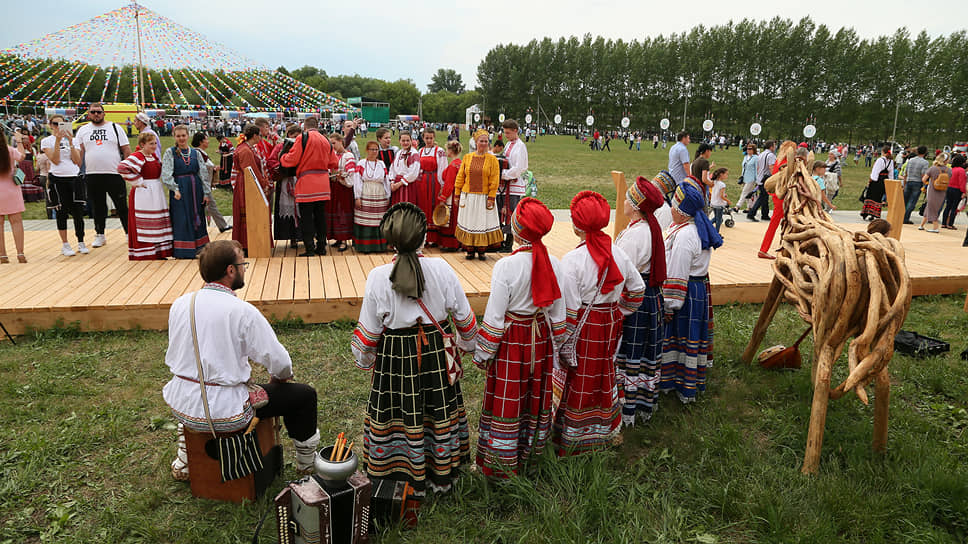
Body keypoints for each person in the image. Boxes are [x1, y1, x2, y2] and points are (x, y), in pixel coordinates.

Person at [164, 240, 320, 481]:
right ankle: (307, 465)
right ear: (230, 270)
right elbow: (279, 361)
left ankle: (185, 458)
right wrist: (280, 378)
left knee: (198, 387)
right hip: (226, 412)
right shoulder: (241, 310)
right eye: (242, 264)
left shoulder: (180, 304)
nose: (244, 268)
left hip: (182, 405)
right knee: (304, 395)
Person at [351, 203, 479, 496]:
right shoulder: (442, 269)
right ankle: (440, 473)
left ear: (391, 239)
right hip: (435, 350)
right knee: (437, 410)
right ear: (423, 236)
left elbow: (369, 333)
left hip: (395, 355)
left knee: (399, 411)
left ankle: (397, 474)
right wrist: (469, 346)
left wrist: (365, 359)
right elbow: (464, 319)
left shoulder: (378, 277)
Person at [473, 197, 566, 477]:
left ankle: (502, 459)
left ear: (516, 230)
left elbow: (494, 317)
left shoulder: (506, 267)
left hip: (513, 339)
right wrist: (559, 346)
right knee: (535, 393)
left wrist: (483, 354)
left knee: (509, 394)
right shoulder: (555, 264)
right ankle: (531, 452)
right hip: (540, 337)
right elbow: (558, 315)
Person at [555, 191, 645, 456]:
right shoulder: (618, 253)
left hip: (583, 324)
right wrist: (620, 311)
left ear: (576, 226)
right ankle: (604, 428)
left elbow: (570, 310)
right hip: (609, 321)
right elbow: (637, 288)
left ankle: (574, 435)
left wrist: (561, 340)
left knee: (580, 374)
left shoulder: (571, 260)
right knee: (605, 370)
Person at [660, 184, 722, 404]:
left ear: (683, 212)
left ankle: (677, 381)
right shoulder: (693, 227)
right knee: (689, 336)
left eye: (675, 206)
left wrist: (669, 306)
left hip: (685, 292)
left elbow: (678, 272)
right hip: (695, 289)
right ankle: (686, 378)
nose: (672, 209)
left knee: (681, 335)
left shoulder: (686, 236)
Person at [614, 178, 668, 426]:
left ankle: (626, 406)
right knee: (644, 351)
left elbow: (621, 272)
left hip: (636, 300)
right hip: (651, 298)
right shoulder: (650, 227)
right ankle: (642, 400)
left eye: (627, 198)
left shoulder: (635, 236)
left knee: (631, 351)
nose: (623, 201)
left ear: (635, 206)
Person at [281, 118, 340, 257]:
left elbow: (293, 159)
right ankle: (321, 247)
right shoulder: (325, 140)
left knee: (306, 217)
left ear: (304, 127)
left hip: (307, 182)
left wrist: (283, 157)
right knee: (320, 217)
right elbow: (334, 163)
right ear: (317, 126)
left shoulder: (303, 137)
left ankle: (310, 248)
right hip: (323, 183)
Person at [75, 102, 131, 243]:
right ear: (88, 114)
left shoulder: (115, 128)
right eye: (93, 112)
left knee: (121, 206)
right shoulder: (83, 130)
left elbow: (126, 149)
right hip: (92, 174)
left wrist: (128, 168)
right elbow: (79, 152)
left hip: (114, 173)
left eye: (99, 112)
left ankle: (129, 234)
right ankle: (100, 234)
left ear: (104, 113)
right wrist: (76, 171)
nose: (96, 114)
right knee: (98, 206)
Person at [117, 132, 173, 260]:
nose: (154, 146)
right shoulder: (138, 156)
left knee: (157, 222)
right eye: (151, 143)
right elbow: (122, 167)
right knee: (145, 222)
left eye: (155, 143)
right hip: (143, 193)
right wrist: (137, 181)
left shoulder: (153, 156)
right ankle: (146, 252)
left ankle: (158, 252)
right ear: (142, 144)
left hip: (156, 191)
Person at [161, 125, 211, 259]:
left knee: (197, 216)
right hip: (180, 189)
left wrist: (206, 193)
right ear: (174, 137)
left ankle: (201, 249)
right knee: (182, 217)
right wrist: (174, 188)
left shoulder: (196, 153)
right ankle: (183, 250)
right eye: (178, 136)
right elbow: (166, 174)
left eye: (183, 135)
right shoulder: (170, 152)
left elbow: (203, 174)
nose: (181, 138)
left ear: (188, 136)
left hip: (195, 189)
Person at [42, 115, 88, 256]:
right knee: (61, 212)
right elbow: (55, 160)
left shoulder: (73, 140)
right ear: (50, 125)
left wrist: (70, 141)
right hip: (57, 178)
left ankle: (81, 241)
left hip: (73, 177)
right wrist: (57, 140)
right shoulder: (46, 141)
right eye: (55, 124)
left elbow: (77, 161)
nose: (58, 127)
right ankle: (65, 244)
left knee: (78, 212)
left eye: (62, 124)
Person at [455, 129, 503, 260]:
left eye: (486, 141)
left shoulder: (492, 159)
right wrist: (457, 193)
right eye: (481, 141)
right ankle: (470, 249)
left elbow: (494, 179)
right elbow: (460, 176)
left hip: (484, 196)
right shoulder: (467, 158)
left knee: (482, 223)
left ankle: (482, 250)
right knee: (470, 221)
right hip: (469, 195)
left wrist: (492, 197)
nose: (483, 143)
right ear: (476, 142)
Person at [231, 124, 272, 254]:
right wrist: (264, 183)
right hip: (246, 184)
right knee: (249, 213)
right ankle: (247, 242)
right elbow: (251, 171)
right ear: (254, 136)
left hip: (246, 182)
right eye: (259, 135)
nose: (261, 137)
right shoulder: (245, 151)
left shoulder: (246, 148)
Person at [353, 141, 391, 253]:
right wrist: (357, 197)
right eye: (372, 149)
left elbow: (386, 180)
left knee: (379, 219)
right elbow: (357, 180)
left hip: (379, 192)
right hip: (366, 191)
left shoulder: (381, 164)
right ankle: (365, 246)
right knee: (365, 219)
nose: (374, 152)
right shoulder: (361, 163)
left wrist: (388, 194)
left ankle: (379, 246)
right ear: (367, 150)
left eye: (376, 150)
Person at [268, 125, 301, 250]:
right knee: (288, 209)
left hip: (299, 181)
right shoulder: (279, 147)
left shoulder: (302, 147)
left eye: (298, 137)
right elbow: (271, 161)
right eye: (293, 137)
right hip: (284, 182)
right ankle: (291, 237)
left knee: (300, 209)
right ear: (288, 135)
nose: (295, 139)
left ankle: (300, 235)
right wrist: (282, 168)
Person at [192, 132, 230, 234]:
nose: (208, 141)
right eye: (206, 139)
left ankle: (222, 225)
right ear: (201, 142)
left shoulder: (202, 153)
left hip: (206, 184)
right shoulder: (197, 153)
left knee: (210, 206)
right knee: (208, 206)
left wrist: (213, 169)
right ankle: (221, 225)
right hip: (202, 185)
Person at [501, 120, 530, 250]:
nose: (506, 135)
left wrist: (504, 174)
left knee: (512, 212)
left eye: (508, 132)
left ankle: (509, 242)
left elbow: (520, 167)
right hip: (505, 185)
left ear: (515, 131)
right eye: (505, 132)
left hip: (514, 184)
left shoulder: (520, 146)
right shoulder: (508, 144)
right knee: (504, 211)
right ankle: (501, 239)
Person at [0, 131, 28, 263]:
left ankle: (3, 255)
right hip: (11, 190)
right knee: (16, 222)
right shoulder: (9, 150)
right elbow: (22, 156)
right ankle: (20, 253)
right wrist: (19, 141)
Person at [327, 133, 357, 252]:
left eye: (334, 143)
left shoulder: (348, 156)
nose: (332, 146)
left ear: (341, 142)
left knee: (342, 211)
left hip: (343, 188)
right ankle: (338, 238)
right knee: (334, 210)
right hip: (334, 187)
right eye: (331, 143)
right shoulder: (333, 155)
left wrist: (341, 176)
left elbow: (351, 172)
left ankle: (344, 239)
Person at [417, 129, 447, 246]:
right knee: (423, 206)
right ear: (423, 138)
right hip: (423, 182)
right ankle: (424, 235)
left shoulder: (439, 151)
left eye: (431, 138)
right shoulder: (420, 151)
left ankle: (434, 237)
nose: (429, 140)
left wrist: (442, 185)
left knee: (434, 206)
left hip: (434, 181)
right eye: (426, 138)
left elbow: (442, 168)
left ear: (434, 138)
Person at [435, 140, 463, 251]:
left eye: (447, 149)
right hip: (459, 193)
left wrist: (443, 197)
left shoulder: (452, 165)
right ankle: (458, 242)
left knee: (449, 217)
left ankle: (451, 243)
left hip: (451, 194)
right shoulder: (460, 163)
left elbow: (449, 183)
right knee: (457, 217)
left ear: (451, 151)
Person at [919, 154, 951, 233]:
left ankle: (935, 227)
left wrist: (929, 183)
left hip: (932, 190)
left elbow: (924, 179)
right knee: (930, 207)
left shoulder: (932, 168)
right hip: (942, 191)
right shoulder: (949, 170)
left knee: (931, 208)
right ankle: (922, 225)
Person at [388, 132, 420, 208]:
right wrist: (392, 182)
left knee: (406, 208)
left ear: (411, 141)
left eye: (407, 140)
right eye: (403, 140)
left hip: (407, 185)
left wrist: (399, 184)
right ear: (399, 141)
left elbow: (413, 173)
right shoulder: (399, 153)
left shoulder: (414, 153)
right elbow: (392, 168)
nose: (405, 143)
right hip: (396, 185)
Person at [862, 145, 894, 221]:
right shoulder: (891, 161)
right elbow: (891, 173)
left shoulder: (880, 160)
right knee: (878, 198)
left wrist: (871, 180)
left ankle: (866, 213)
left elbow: (875, 172)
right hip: (884, 181)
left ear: (883, 152)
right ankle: (875, 214)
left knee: (871, 197)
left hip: (876, 181)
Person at [748, 140, 775, 223]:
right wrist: (774, 176)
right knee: (762, 197)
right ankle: (751, 213)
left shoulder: (761, 154)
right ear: (771, 147)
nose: (775, 147)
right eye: (774, 146)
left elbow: (758, 167)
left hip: (760, 177)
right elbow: (771, 167)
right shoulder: (771, 155)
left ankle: (765, 214)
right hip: (766, 179)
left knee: (765, 197)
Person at [902, 146, 930, 224]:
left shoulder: (910, 160)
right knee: (912, 201)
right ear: (925, 152)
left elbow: (906, 173)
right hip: (917, 182)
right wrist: (925, 185)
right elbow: (923, 175)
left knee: (905, 200)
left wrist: (904, 183)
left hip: (908, 181)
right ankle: (906, 218)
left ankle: (900, 216)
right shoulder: (925, 162)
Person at [942, 153, 966, 230]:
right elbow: (962, 182)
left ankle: (944, 223)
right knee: (954, 207)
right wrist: (964, 192)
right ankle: (950, 224)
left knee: (948, 206)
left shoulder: (951, 169)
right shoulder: (961, 171)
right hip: (957, 189)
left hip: (949, 188)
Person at [737, 144, 759, 213]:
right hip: (744, 178)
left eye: (750, 149)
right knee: (748, 193)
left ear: (754, 150)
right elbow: (743, 167)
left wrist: (757, 180)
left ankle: (737, 206)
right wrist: (741, 176)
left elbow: (756, 169)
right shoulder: (745, 157)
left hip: (751, 178)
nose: (748, 150)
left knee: (744, 192)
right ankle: (749, 207)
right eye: (747, 149)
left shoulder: (756, 158)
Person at [709, 167, 731, 233]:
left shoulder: (714, 182)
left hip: (713, 202)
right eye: (726, 174)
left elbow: (716, 192)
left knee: (716, 218)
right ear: (721, 174)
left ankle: (708, 225)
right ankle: (716, 232)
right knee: (718, 220)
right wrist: (728, 201)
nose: (727, 176)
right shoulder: (722, 185)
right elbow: (721, 196)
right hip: (719, 204)